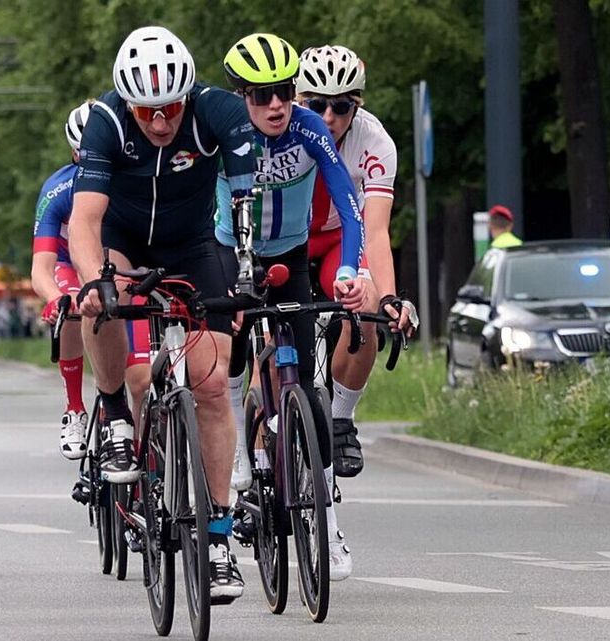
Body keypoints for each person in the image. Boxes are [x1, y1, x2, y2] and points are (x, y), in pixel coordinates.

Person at [70, 25, 257, 602]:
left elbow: (246, 203)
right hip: (124, 242)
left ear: (188, 96)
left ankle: (218, 540)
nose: (158, 122)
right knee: (98, 304)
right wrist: (95, 280)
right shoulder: (107, 121)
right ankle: (115, 415)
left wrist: (246, 273)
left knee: (212, 385)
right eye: (146, 111)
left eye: (170, 108)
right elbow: (84, 221)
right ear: (128, 103)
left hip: (194, 247)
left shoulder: (217, 112)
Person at [218, 32, 368, 582]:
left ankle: (329, 522)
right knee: (231, 351)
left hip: (291, 255)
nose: (277, 104)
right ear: (243, 98)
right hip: (231, 251)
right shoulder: (225, 134)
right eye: (262, 95)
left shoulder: (309, 129)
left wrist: (349, 271)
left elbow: (350, 210)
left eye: (284, 91)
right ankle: (238, 448)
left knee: (306, 385)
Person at [295, 44, 418, 483]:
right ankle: (258, 455)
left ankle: (342, 420)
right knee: (271, 337)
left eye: (342, 106)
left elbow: (377, 230)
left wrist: (388, 297)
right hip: (287, 240)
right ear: (297, 100)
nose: (329, 117)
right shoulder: (278, 130)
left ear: (357, 105)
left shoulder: (375, 142)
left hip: (338, 239)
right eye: (316, 105)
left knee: (363, 308)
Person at [32, 101, 152, 459]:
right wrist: (53, 297)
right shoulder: (58, 191)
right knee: (73, 304)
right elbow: (41, 268)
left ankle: (146, 457)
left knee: (141, 380)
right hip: (71, 265)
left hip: (122, 266)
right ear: (74, 154)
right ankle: (74, 408)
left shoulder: (136, 178)